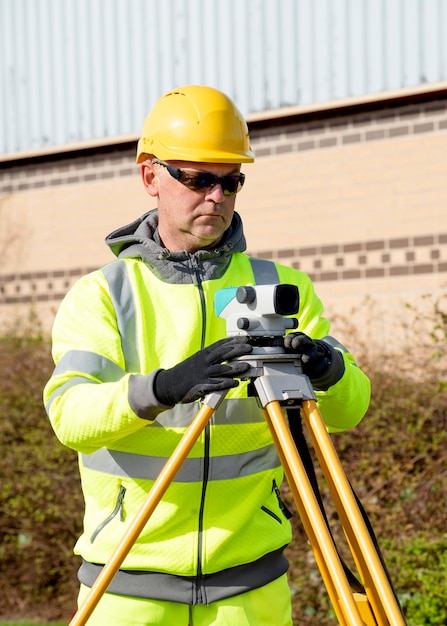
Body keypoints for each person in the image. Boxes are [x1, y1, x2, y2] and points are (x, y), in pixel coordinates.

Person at [44, 85, 371, 626]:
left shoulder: (282, 288)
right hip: (127, 586)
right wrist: (162, 387)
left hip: (251, 586)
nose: (215, 196)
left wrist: (328, 369)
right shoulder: (104, 294)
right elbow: (71, 418)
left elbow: (349, 411)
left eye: (230, 181)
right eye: (196, 178)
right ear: (150, 176)